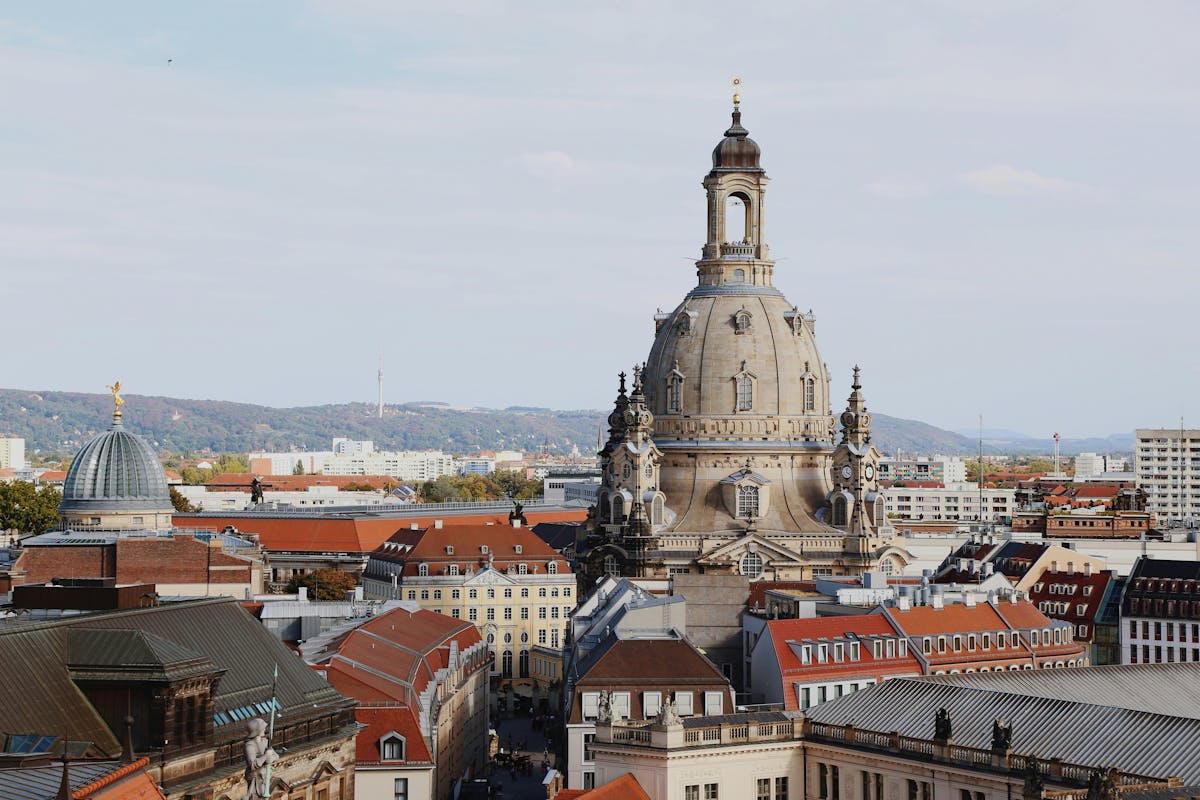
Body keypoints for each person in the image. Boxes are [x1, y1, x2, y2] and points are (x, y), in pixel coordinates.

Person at [243, 718, 279, 800]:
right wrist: (266, 756)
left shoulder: (265, 742)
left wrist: (271, 758)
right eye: (263, 728)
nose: (265, 729)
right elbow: (252, 765)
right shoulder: (249, 746)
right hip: (255, 778)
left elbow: (276, 756)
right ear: (257, 731)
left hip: (265, 776)